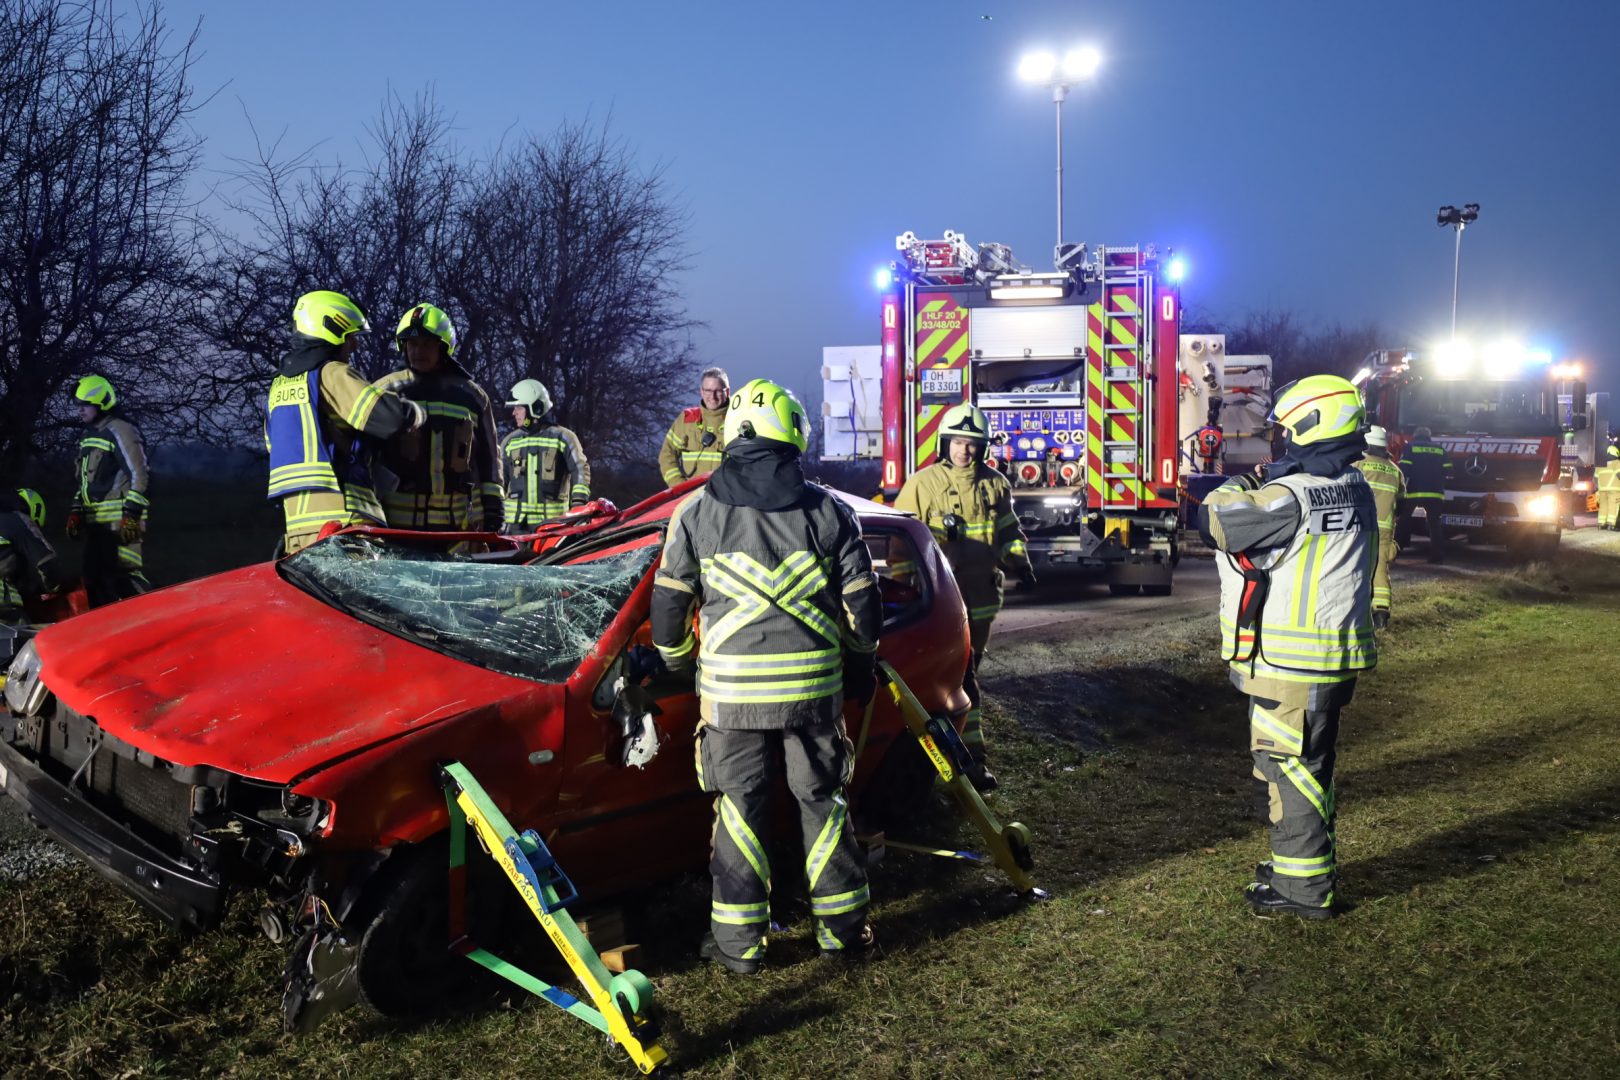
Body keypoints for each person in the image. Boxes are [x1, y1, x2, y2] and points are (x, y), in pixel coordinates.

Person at [652, 378, 882, 973]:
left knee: (739, 813)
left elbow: (669, 608)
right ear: (793, 437)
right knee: (823, 806)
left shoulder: (695, 513)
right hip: (812, 696)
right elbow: (864, 611)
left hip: (730, 701)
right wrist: (857, 665)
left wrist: (680, 667)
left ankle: (740, 948)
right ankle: (842, 932)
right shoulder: (830, 512)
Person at [1199, 374, 1377, 920]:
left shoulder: (1289, 495)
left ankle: (1302, 890)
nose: (1280, 440)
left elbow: (1219, 523)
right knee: (1308, 766)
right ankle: (1297, 867)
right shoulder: (1356, 486)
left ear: (1309, 425)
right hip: (1326, 659)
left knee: (1289, 770)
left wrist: (1236, 484)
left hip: (1287, 665)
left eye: (1286, 429)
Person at [891, 402, 1034, 791]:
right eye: (957, 442)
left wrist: (1022, 562)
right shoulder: (921, 485)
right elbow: (900, 548)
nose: (963, 451)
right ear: (944, 443)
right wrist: (905, 592)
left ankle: (949, 762)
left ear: (983, 447)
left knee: (963, 681)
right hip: (936, 608)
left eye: (971, 444)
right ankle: (968, 765)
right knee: (959, 683)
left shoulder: (995, 485)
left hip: (981, 604)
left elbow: (1008, 533)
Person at [266, 290, 425, 555]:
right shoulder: (332, 374)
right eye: (350, 337)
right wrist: (416, 412)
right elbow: (388, 417)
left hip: (297, 529)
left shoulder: (278, 388)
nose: (354, 345)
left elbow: (277, 446)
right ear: (331, 329)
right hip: (345, 521)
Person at [371, 304, 504, 533]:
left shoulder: (472, 396)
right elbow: (364, 456)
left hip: (458, 528)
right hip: (398, 528)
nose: (418, 351)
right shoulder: (385, 390)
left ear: (443, 347)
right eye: (412, 344)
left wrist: (493, 505)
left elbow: (489, 458)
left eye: (426, 344)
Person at [66, 375, 151, 605]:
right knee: (93, 583)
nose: (80, 411)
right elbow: (84, 482)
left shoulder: (122, 430)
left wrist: (132, 514)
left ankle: (151, 623)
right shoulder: (87, 437)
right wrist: (77, 511)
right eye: (78, 405)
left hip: (119, 523)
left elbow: (139, 474)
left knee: (124, 580)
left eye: (85, 405)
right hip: (96, 525)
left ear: (101, 402)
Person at [501, 379, 591, 528]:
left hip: (553, 528)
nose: (514, 412)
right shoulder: (510, 442)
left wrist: (579, 505)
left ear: (534, 408)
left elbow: (581, 470)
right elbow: (499, 481)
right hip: (514, 529)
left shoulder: (564, 438)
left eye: (519, 407)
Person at [1353, 425, 1405, 628]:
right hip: (1384, 529)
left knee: (1355, 568)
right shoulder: (1395, 470)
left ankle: (1357, 613)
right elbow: (1402, 505)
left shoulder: (1358, 464)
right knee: (1380, 570)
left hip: (1359, 527)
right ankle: (1381, 615)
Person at [658, 367, 730, 487]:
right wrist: (679, 486)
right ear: (701, 391)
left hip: (726, 499)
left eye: (717, 391)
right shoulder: (686, 419)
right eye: (708, 390)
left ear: (727, 392)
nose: (713, 396)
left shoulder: (738, 420)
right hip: (691, 498)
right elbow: (666, 454)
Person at [0, 489, 63, 623]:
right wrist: (54, 587)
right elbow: (46, 563)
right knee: (26, 637)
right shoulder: (18, 518)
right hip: (5, 612)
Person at [1397, 425, 1453, 563]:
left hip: (1414, 491)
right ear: (1429, 436)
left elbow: (1404, 468)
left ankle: (1395, 551)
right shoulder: (1439, 449)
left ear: (1415, 435)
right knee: (1435, 524)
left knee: (1403, 521)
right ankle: (1437, 556)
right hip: (1435, 493)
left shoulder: (1411, 447)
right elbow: (1449, 470)